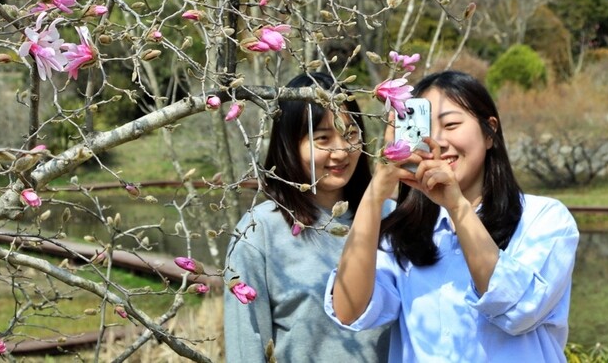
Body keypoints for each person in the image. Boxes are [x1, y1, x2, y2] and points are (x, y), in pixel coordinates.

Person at [326, 70, 579, 362]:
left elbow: (519, 311)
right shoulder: (405, 233)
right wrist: (375, 194)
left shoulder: (545, 219)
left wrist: (458, 207)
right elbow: (349, 311)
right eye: (424, 127)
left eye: (451, 124)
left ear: (489, 132)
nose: (438, 140)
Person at [224, 72, 392, 362]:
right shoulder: (260, 231)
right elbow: (245, 342)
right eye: (323, 138)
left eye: (350, 134)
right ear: (290, 144)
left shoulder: (391, 217)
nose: (341, 151)